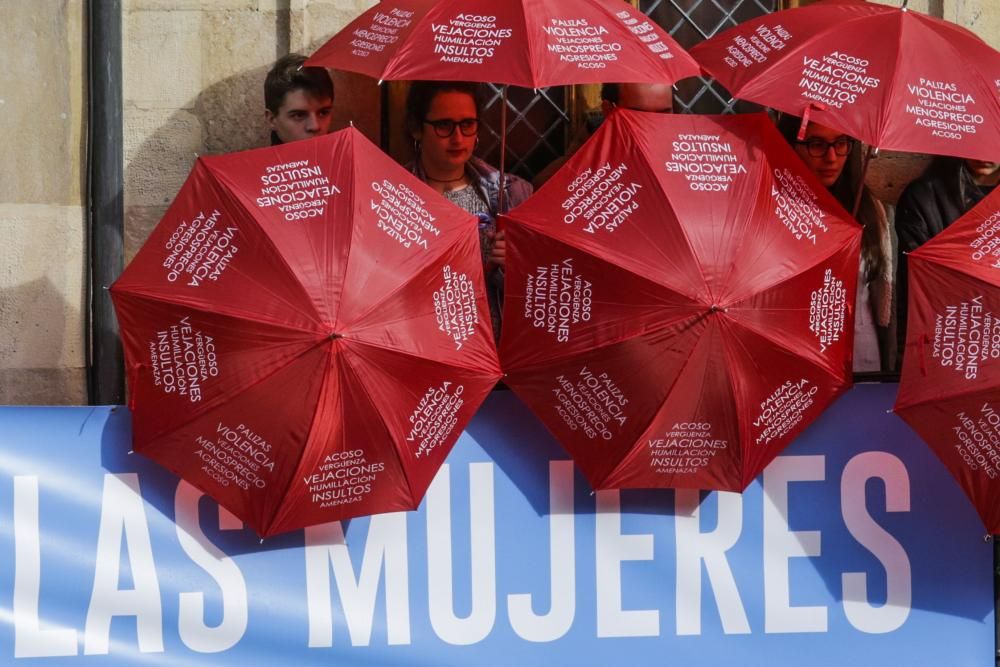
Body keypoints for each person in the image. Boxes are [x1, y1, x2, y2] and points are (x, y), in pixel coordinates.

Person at [404, 80, 533, 341]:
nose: (458, 138)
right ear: (417, 129)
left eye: (467, 124)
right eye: (443, 125)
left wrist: (515, 266)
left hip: (498, 352)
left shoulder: (512, 194)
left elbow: (539, 291)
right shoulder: (395, 195)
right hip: (425, 347)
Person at [777, 114, 897, 373]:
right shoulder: (779, 212)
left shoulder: (871, 212)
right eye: (817, 145)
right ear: (792, 145)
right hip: (802, 359)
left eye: (841, 143)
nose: (832, 158)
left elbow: (884, 304)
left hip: (863, 360)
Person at [895, 157, 1000, 363]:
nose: (983, 154)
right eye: (974, 140)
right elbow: (918, 286)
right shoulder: (924, 196)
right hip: (947, 341)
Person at [533, 82, 674, 188]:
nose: (653, 126)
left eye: (664, 114)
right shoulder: (580, 168)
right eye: (638, 116)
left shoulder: (687, 157)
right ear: (608, 110)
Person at [263, 53, 335, 145]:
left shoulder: (351, 157)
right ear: (272, 120)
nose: (315, 126)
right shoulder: (255, 159)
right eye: (299, 115)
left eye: (323, 113)